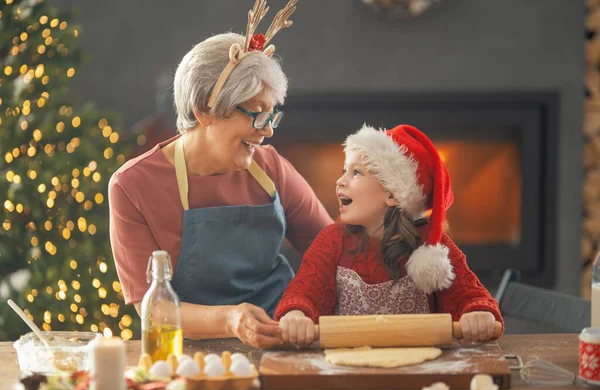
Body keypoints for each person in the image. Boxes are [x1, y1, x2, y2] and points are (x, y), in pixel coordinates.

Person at [108, 0, 333, 348]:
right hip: (193, 350)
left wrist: (299, 308)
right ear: (204, 111)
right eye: (256, 114)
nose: (268, 130)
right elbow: (153, 311)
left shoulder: (269, 166)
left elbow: (330, 252)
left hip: (284, 337)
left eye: (272, 115)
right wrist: (230, 318)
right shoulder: (133, 186)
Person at [275, 124, 504, 348]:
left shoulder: (431, 247)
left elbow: (471, 296)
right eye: (344, 170)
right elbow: (305, 292)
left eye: (356, 172)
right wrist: (296, 313)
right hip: (348, 369)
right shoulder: (332, 240)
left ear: (393, 194)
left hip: (419, 372)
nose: (340, 180)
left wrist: (478, 313)